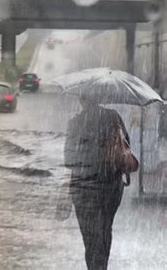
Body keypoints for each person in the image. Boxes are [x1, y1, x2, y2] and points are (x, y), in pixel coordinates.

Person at [63, 93, 130, 270]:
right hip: (111, 185)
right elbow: (126, 146)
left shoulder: (75, 123)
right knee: (105, 228)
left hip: (83, 187)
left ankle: (94, 266)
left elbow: (68, 158)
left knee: (89, 234)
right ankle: (102, 266)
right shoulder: (113, 116)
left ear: (81, 100)